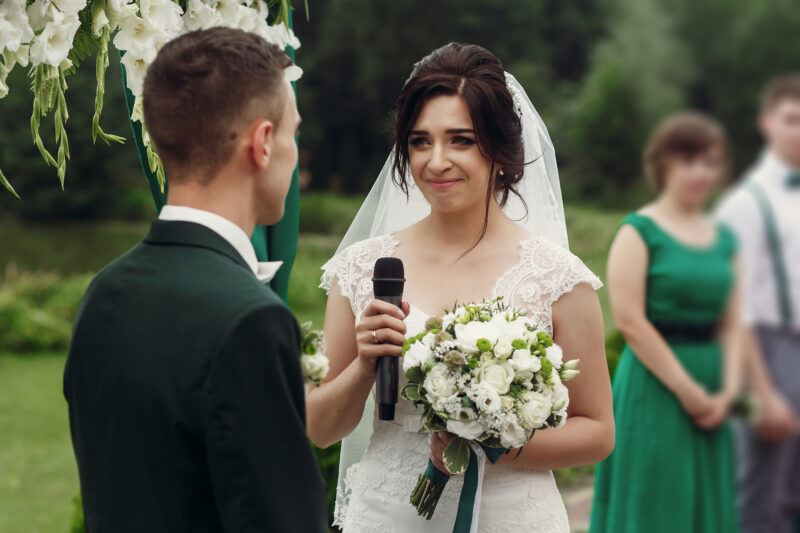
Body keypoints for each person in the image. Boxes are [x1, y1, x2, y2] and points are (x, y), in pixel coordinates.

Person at [307, 42, 614, 532]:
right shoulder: (362, 269)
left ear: (501, 150)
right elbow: (322, 428)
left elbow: (597, 432)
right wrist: (366, 365)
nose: (437, 161)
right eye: (420, 141)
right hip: (391, 515)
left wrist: (494, 439)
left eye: (461, 140)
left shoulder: (558, 277)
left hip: (511, 515)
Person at [63, 28, 327, 533]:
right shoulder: (250, 318)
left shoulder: (105, 291)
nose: (296, 157)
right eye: (294, 133)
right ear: (264, 143)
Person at [591, 112, 743, 533]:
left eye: (710, 163)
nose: (700, 172)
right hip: (656, 385)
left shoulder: (724, 238)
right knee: (658, 503)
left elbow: (732, 323)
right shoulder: (639, 231)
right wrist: (687, 390)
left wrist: (728, 390)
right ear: (663, 165)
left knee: (709, 506)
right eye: (688, 160)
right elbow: (630, 321)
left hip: (713, 382)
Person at [717, 74, 800, 533]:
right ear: (767, 123)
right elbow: (735, 308)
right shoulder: (745, 203)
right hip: (768, 350)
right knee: (761, 495)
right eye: (792, 120)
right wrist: (763, 393)